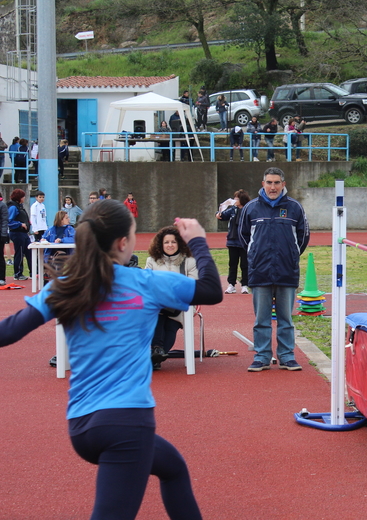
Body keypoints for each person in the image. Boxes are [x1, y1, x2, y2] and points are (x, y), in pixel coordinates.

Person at [0, 200, 221, 518]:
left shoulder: (66, 285)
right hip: (126, 424)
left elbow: (8, 331)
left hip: (82, 426)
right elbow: (212, 290)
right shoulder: (146, 283)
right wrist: (198, 240)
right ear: (122, 243)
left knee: (172, 467)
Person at [238, 167, 309, 372]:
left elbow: (303, 237)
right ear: (263, 184)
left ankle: (287, 356)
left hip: (287, 271)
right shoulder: (251, 208)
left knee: (286, 319)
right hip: (260, 272)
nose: (273, 187)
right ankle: (262, 356)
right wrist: (255, 255)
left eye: (277, 182)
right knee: (262, 319)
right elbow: (244, 238)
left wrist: (291, 255)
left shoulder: (295, 208)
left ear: (283, 184)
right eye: (269, 182)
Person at [145, 226, 200, 370]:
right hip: (158, 305)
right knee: (158, 315)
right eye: (166, 242)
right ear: (160, 244)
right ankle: (157, 354)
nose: (170, 245)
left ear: (180, 244)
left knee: (171, 324)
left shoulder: (190, 261)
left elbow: (194, 284)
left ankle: (155, 354)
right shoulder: (152, 260)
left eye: (173, 242)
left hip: (181, 305)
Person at [217, 190, 251, 294]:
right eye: (235, 198)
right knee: (232, 264)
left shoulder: (248, 210)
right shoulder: (233, 210)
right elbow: (221, 216)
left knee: (245, 264)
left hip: (244, 242)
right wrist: (220, 210)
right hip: (232, 241)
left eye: (237, 198)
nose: (235, 200)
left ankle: (245, 285)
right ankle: (231, 284)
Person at [7, 188, 32, 280]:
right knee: (20, 253)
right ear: (19, 197)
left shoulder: (20, 206)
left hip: (23, 233)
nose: (24, 198)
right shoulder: (13, 207)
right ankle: (17, 273)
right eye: (23, 196)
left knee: (29, 252)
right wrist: (20, 224)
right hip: (17, 233)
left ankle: (33, 272)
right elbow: (9, 221)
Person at [0, 194, 7, 285]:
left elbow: (5, 220)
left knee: (0, 256)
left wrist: (3, 234)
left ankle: (1, 277)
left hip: (0, 234)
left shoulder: (2, 205)